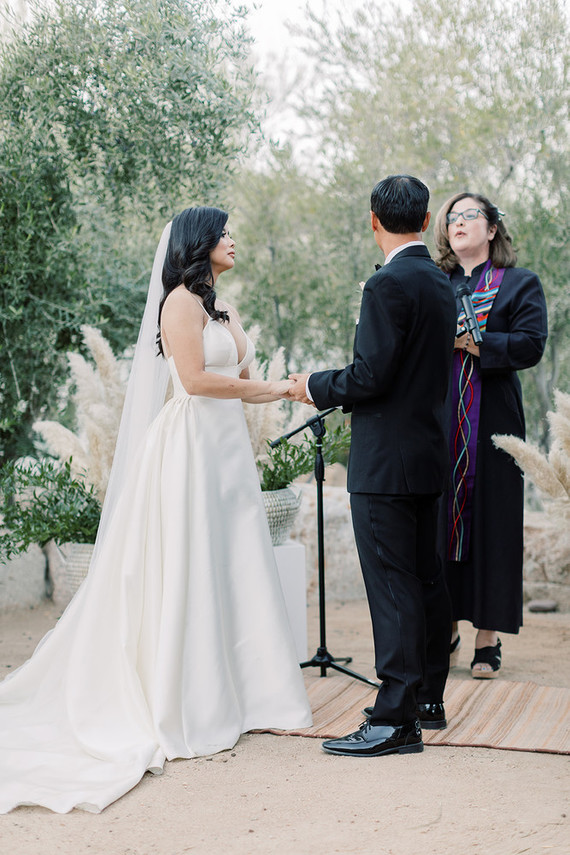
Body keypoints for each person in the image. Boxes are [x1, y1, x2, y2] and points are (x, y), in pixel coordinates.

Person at [0, 206, 311, 814]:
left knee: (237, 566)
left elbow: (239, 368)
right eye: (223, 231)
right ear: (199, 243)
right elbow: (194, 381)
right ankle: (188, 702)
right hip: (193, 446)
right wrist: (274, 389)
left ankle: (254, 697)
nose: (233, 238)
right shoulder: (179, 303)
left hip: (228, 452)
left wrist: (275, 377)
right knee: (193, 566)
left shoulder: (220, 304)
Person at [288, 175, 457, 757]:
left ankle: (393, 720)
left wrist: (309, 385)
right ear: (429, 218)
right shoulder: (440, 282)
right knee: (424, 581)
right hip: (430, 455)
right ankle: (426, 701)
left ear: (372, 220)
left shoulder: (387, 285)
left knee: (392, 586)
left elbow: (368, 378)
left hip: (387, 463)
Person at [433, 192, 547, 678]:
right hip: (440, 422)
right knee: (439, 524)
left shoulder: (520, 284)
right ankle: (446, 627)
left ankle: (487, 636)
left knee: (494, 526)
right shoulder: (434, 283)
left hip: (495, 424)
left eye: (469, 215)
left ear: (492, 229)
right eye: (451, 218)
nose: (458, 223)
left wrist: (476, 342)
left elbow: (531, 343)